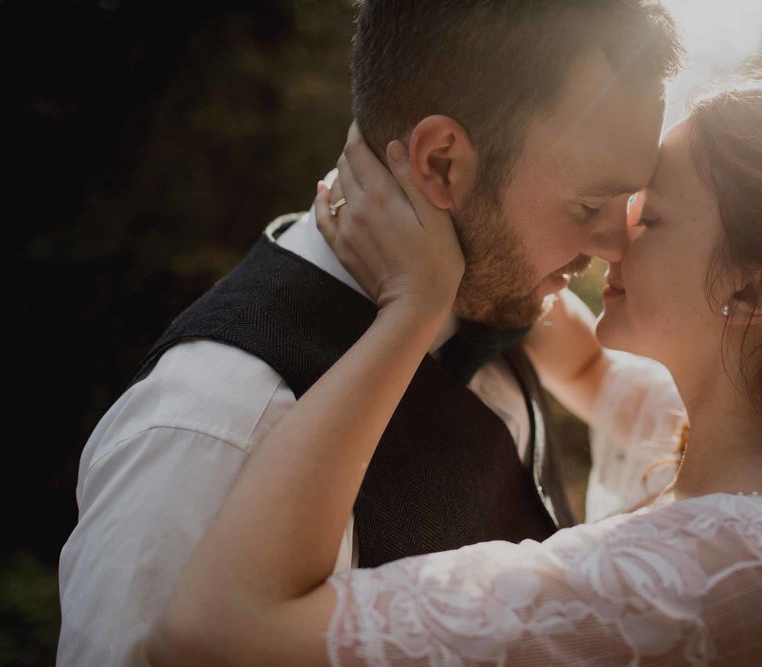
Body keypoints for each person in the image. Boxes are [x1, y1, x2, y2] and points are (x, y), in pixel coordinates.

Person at [144, 82, 762, 666]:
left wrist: (412, 306)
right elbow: (568, 348)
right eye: (611, 208)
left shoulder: (726, 576)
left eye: (653, 217)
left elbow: (220, 628)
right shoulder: (743, 457)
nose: (613, 241)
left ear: (751, 289)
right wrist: (473, 223)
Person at [56, 2, 685, 665]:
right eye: (589, 205)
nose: (616, 245)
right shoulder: (214, 426)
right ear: (442, 164)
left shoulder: (507, 298)